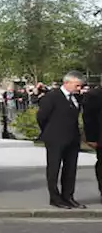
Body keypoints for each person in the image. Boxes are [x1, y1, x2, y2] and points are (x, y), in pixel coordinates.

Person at [38, 71, 86, 209]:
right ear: (67, 83)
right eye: (77, 85)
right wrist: (50, 132)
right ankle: (55, 198)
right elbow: (42, 117)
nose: (79, 89)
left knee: (70, 169)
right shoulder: (52, 97)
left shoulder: (76, 98)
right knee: (54, 169)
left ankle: (68, 196)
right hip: (55, 138)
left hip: (72, 138)